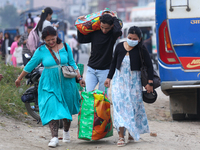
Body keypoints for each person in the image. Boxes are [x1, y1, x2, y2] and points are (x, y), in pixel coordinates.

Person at [15, 26, 85, 148]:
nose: (51, 42)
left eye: (53, 39)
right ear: (44, 40)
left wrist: (79, 78)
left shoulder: (66, 47)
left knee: (66, 108)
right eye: (48, 41)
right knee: (52, 107)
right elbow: (30, 64)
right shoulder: (41, 50)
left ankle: (66, 132)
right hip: (49, 83)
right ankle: (54, 137)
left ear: (57, 35)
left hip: (67, 83)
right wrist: (19, 78)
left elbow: (72, 63)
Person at [104, 26, 154, 147]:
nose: (131, 40)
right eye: (129, 37)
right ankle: (121, 136)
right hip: (119, 81)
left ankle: (131, 132)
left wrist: (150, 83)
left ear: (139, 39)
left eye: (134, 38)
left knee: (133, 108)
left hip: (134, 82)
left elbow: (149, 66)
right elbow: (113, 63)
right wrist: (108, 78)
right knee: (120, 108)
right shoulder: (120, 46)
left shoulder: (141, 49)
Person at [77, 13, 122, 92]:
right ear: (99, 24)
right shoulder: (95, 32)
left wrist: (114, 18)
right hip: (91, 69)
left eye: (107, 28)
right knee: (88, 93)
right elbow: (81, 40)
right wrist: (79, 24)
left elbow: (118, 31)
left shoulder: (112, 35)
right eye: (102, 27)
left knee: (102, 96)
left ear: (112, 26)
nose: (104, 30)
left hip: (105, 70)